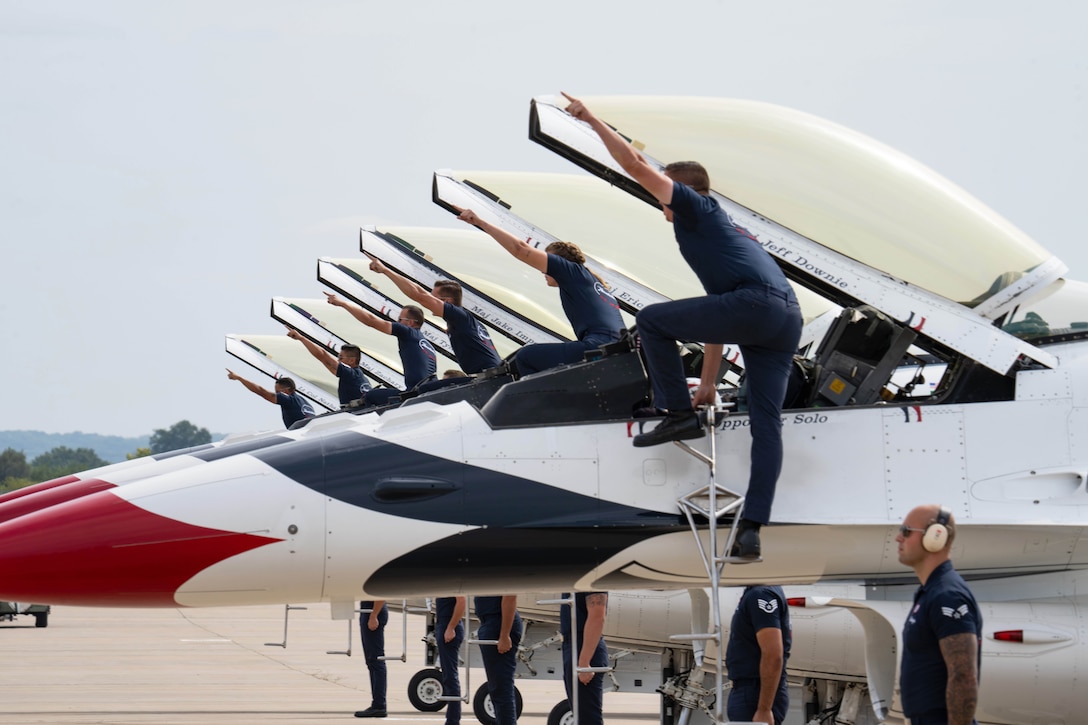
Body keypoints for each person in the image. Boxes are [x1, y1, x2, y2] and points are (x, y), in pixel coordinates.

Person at [563, 92, 804, 559]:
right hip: (781, 318)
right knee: (765, 422)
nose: (657, 195)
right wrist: (708, 384)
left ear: (686, 189)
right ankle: (752, 528)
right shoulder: (723, 233)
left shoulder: (699, 209)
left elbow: (635, 165)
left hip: (757, 305)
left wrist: (591, 118)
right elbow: (719, 313)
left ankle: (675, 414)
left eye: (664, 187)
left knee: (652, 320)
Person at [455, 207, 624, 376]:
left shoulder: (571, 270)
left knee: (526, 356)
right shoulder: (591, 282)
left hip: (598, 346)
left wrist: (479, 222)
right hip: (615, 348)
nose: (542, 270)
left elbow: (520, 249)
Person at [897, 505, 981, 725]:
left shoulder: (948, 596)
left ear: (936, 536)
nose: (898, 538)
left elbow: (964, 676)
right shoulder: (930, 593)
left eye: (906, 531)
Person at [367, 257, 501, 379]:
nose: (430, 302)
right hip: (489, 374)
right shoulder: (462, 320)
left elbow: (419, 295)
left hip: (490, 376)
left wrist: (385, 270)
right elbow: (421, 292)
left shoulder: (459, 315)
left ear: (447, 301)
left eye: (434, 299)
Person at [324, 292, 437, 406]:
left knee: (370, 396)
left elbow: (370, 320)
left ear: (411, 322)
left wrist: (343, 304)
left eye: (400, 319)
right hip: (428, 389)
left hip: (415, 393)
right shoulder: (427, 345)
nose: (397, 322)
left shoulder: (407, 332)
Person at [725, 584, 792, 725]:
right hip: (750, 691)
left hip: (754, 692)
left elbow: (773, 655)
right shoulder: (757, 593)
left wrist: (764, 709)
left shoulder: (761, 595)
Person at [285, 328, 371, 407]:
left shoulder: (350, 374)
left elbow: (324, 355)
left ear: (351, 361)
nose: (338, 360)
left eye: (341, 358)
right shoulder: (359, 376)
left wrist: (301, 338)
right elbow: (323, 359)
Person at [559, 592, 608, 725]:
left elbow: (597, 617)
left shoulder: (590, 578)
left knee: (588, 718)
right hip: (573, 645)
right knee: (581, 716)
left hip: (584, 647)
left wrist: (584, 662)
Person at [474, 594, 521, 725]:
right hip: (490, 623)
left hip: (498, 623)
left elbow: (510, 596)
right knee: (497, 689)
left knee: (502, 689)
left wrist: (504, 635)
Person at [225, 370, 314, 429]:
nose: (276, 394)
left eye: (277, 391)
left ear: (286, 390)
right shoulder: (304, 402)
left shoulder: (288, 400)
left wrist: (239, 378)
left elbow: (261, 391)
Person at [435, 596, 467, 725]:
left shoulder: (454, 581)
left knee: (450, 677)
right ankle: (452, 719)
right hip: (443, 624)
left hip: (448, 626)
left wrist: (451, 627)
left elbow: (461, 601)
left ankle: (453, 721)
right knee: (448, 675)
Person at [355, 599, 389, 718]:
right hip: (369, 611)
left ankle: (379, 705)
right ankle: (377, 703)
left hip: (373, 611)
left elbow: (380, 594)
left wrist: (374, 615)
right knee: (372, 662)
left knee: (376, 661)